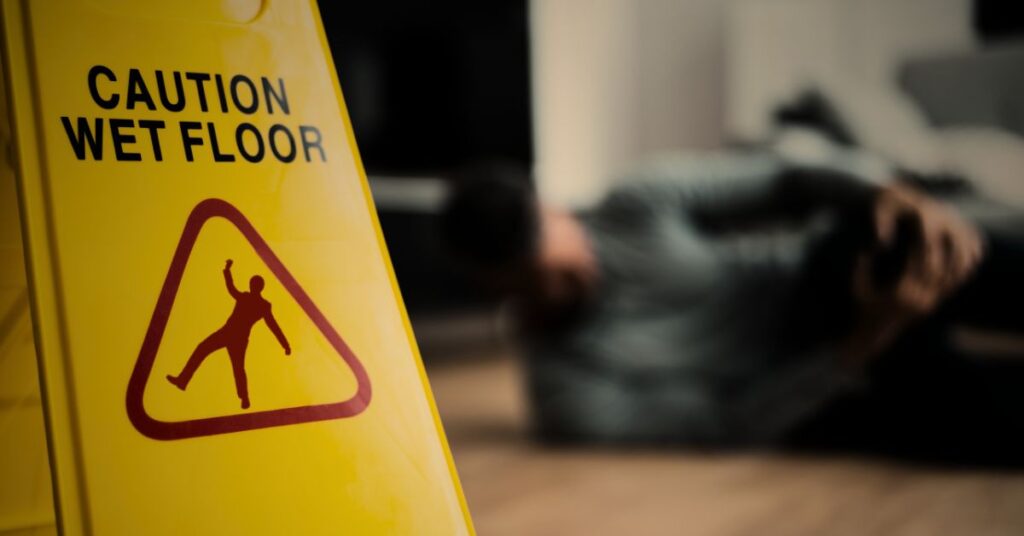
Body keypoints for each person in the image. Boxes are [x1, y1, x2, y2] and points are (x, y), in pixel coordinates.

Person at [441, 150, 1024, 462]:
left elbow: (785, 180)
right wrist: (867, 339)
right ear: (500, 294)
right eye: (540, 282)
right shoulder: (567, 394)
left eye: (559, 246)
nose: (572, 272)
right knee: (952, 418)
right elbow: (727, 424)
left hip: (830, 282)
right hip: (818, 387)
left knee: (901, 240)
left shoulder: (636, 204)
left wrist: (896, 195)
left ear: (554, 209)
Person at [167, 259, 291, 409]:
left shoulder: (258, 303)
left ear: (257, 287)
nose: (251, 286)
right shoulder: (258, 303)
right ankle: (183, 381)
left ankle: (244, 397)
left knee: (236, 367)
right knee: (205, 350)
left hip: (235, 336)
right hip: (229, 333)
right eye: (251, 283)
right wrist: (227, 271)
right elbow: (232, 289)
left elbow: (273, 326)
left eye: (253, 284)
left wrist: (285, 344)